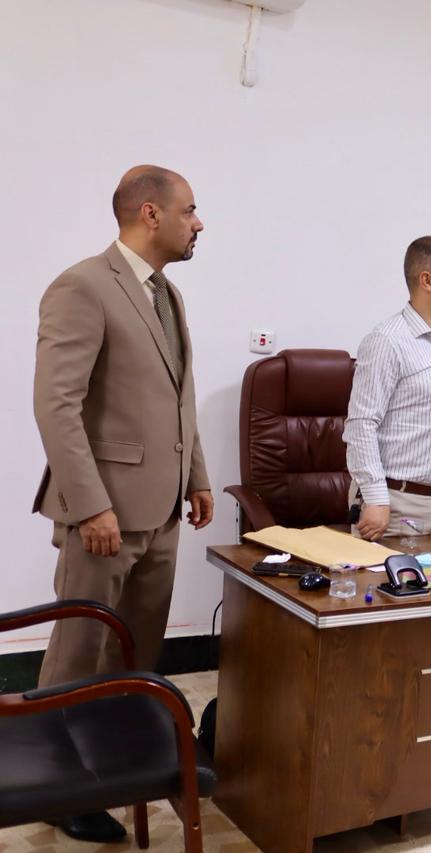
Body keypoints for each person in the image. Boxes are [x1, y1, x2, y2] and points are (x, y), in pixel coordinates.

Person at [32, 165, 214, 843]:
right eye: (190, 211)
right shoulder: (82, 286)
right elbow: (57, 405)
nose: (199, 223)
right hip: (102, 517)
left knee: (135, 655)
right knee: (78, 655)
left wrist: (197, 477)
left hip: (161, 511)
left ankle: (109, 771)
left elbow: (178, 396)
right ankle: (54, 787)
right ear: (150, 213)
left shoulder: (167, 294)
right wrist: (90, 506)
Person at [344, 236, 431, 541]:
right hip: (395, 507)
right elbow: (361, 424)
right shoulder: (387, 341)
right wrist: (375, 498)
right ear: (427, 281)